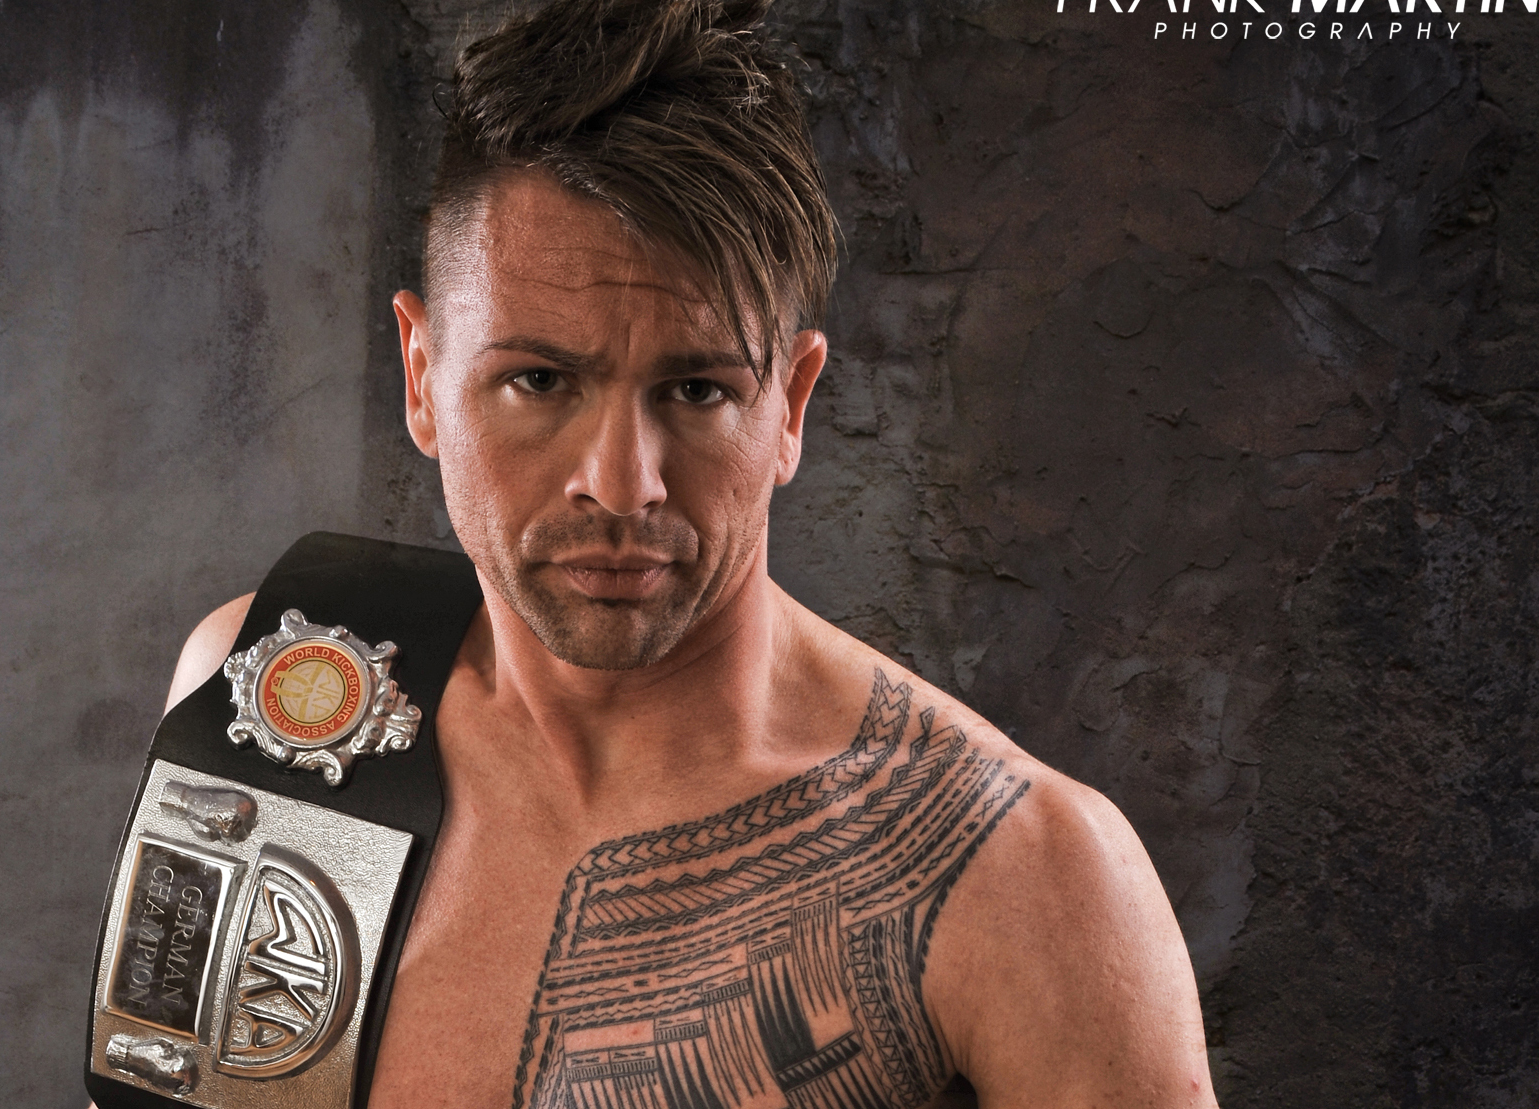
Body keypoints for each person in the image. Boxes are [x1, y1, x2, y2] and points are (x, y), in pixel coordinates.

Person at [155, 1, 1219, 1106]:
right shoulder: (263, 696)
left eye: (698, 389)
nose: (622, 484)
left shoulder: (1023, 878)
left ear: (791, 404)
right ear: (422, 377)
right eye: (538, 381)